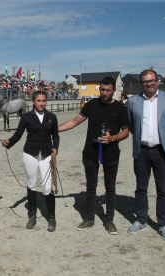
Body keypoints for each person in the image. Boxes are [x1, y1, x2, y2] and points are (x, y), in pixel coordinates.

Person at [58, 77, 129, 235]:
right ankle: (89, 218)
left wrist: (112, 138)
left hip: (111, 153)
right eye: (102, 90)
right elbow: (74, 122)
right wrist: (54, 129)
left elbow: (126, 132)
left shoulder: (120, 108)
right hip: (91, 153)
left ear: (114, 91)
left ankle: (109, 220)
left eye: (108, 90)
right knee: (91, 187)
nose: (104, 93)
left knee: (110, 188)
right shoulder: (91, 105)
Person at [126, 70, 165, 241]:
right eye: (145, 82)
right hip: (142, 151)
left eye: (151, 81)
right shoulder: (133, 101)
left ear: (157, 81)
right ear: (141, 84)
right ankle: (141, 220)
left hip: (162, 151)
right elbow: (131, 124)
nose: (149, 84)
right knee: (141, 188)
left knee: (162, 190)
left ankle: (163, 224)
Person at [1, 91, 59, 232]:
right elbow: (18, 134)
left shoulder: (52, 117)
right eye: (38, 100)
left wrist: (55, 148)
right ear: (33, 101)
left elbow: (55, 136)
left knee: (47, 187)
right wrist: (9, 143)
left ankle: (52, 217)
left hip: (46, 155)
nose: (41, 103)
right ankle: (32, 216)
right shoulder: (27, 117)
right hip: (30, 154)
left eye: (44, 100)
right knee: (32, 184)